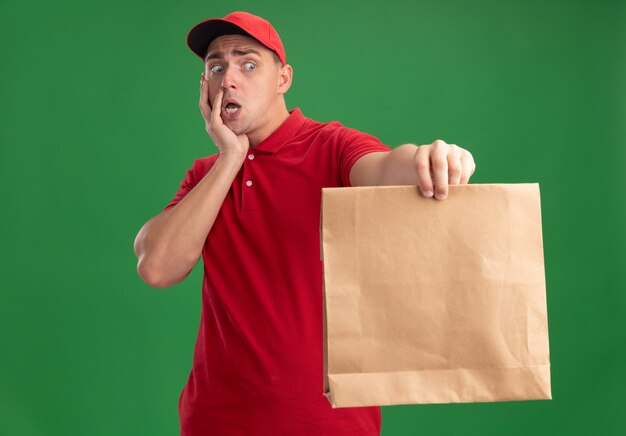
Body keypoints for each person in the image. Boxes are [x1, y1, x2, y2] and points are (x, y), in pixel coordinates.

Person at [134, 11, 475, 436]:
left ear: (283, 78)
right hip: (214, 422)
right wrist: (229, 159)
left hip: (328, 423)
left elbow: (386, 169)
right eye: (216, 67)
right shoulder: (207, 174)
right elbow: (156, 267)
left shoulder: (331, 145)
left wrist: (429, 158)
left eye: (249, 63)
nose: (229, 80)